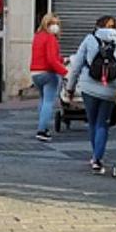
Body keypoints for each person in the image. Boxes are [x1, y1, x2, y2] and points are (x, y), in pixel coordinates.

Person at [64, 16, 116, 173]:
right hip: (111, 90)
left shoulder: (90, 39)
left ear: (97, 26)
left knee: (93, 122)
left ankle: (95, 156)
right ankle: (98, 159)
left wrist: (70, 88)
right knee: (103, 123)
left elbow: (76, 67)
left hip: (89, 88)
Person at [30, 13, 68, 142]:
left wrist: (63, 60)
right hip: (48, 73)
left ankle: (42, 126)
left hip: (35, 73)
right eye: (52, 23)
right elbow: (51, 60)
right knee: (48, 102)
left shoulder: (38, 36)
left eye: (57, 24)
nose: (55, 26)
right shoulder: (51, 38)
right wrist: (64, 72)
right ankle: (41, 130)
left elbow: (50, 57)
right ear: (46, 24)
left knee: (43, 99)